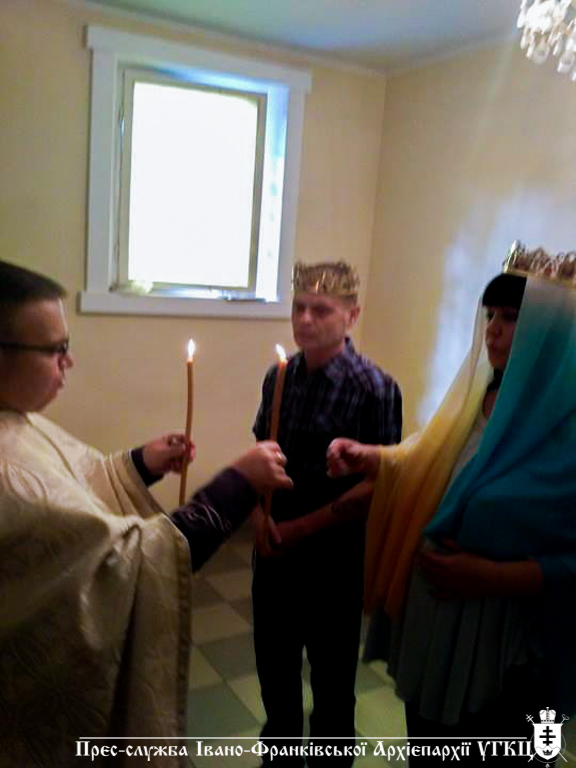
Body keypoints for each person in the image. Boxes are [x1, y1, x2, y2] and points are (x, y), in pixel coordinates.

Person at [0, 260, 293, 768]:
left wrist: (140, 463)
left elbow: (76, 489)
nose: (69, 361)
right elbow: (124, 564)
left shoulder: (15, 419)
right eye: (55, 349)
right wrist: (238, 484)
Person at [325, 242, 576, 765]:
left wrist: (493, 577)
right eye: (491, 315)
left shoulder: (564, 433)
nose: (493, 330)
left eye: (513, 317)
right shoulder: (479, 399)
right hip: (437, 630)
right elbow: (430, 457)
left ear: (556, 332)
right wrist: (374, 458)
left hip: (503, 650)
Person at [251, 261, 402, 766]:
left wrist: (300, 528)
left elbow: (378, 484)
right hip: (275, 550)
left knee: (332, 682)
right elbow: (263, 452)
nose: (305, 319)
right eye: (299, 307)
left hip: (333, 558)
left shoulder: (374, 388)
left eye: (321, 310)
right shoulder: (279, 377)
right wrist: (258, 517)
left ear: (351, 315)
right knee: (275, 672)